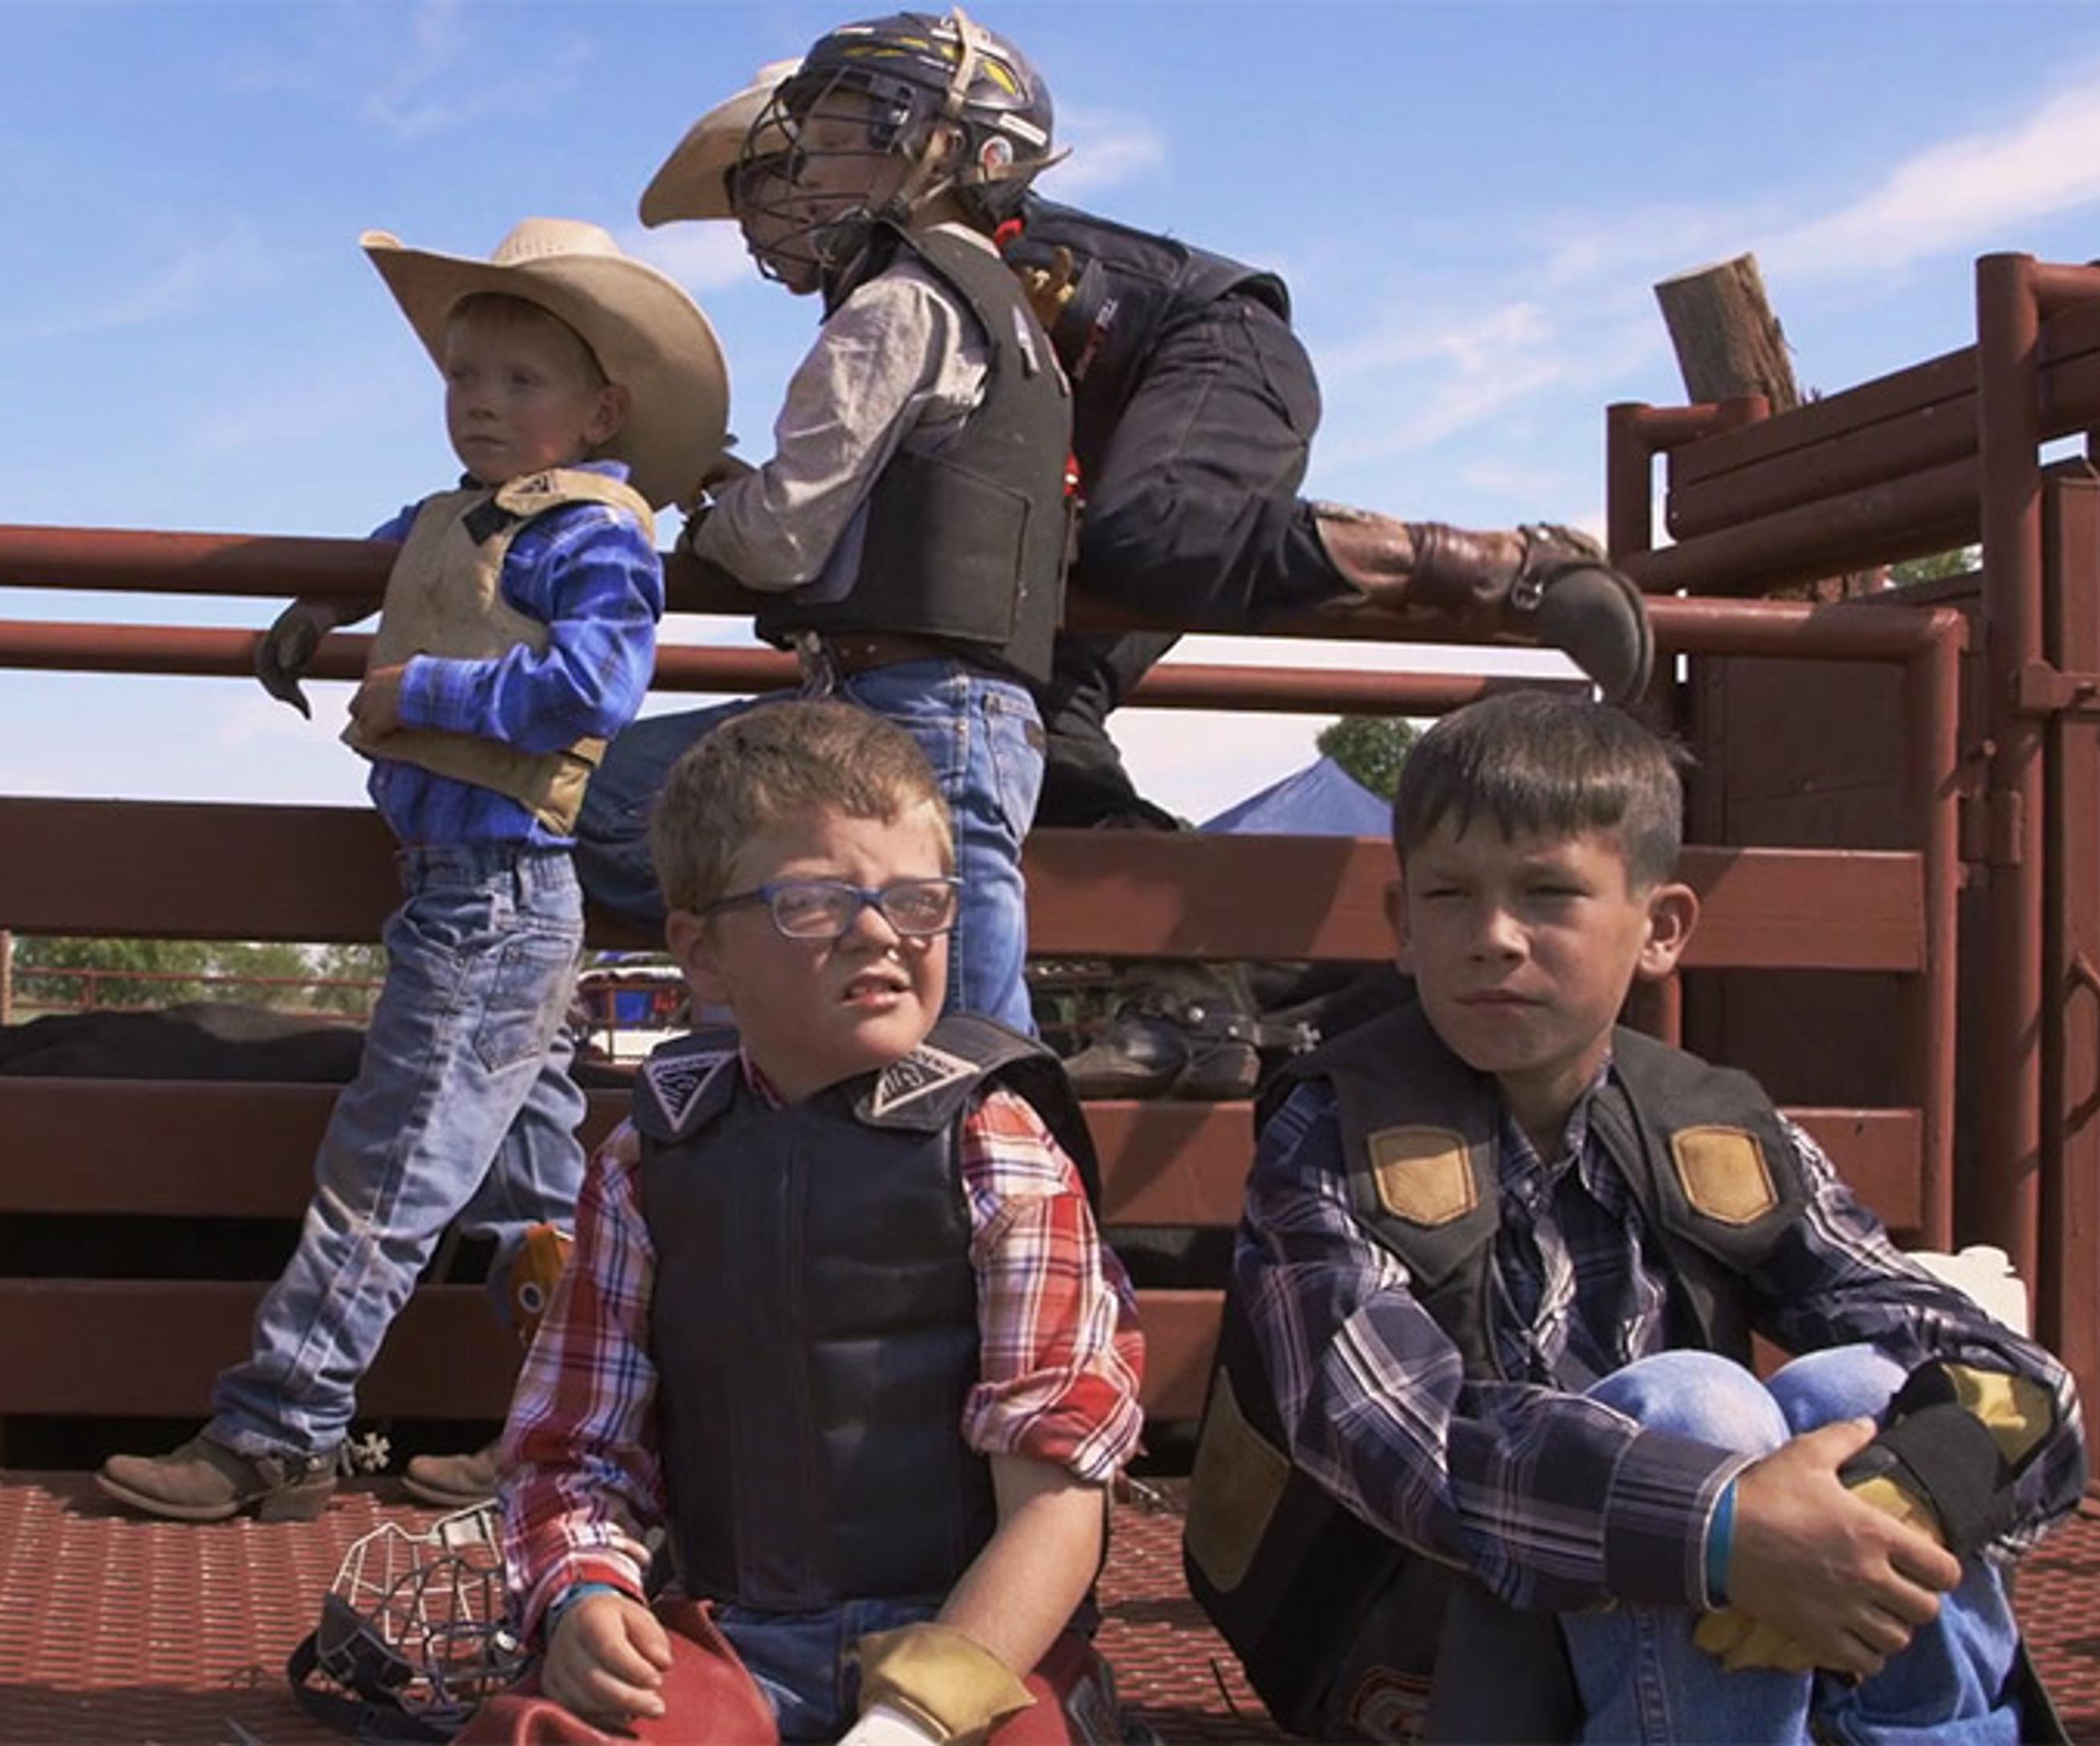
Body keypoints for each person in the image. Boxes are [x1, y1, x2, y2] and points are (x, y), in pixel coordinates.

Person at [635, 23, 1653, 1095]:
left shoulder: (938, 266)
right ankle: (1197, 993)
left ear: (923, 142)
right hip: (1081, 479)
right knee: (1046, 702)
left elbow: (825, 503)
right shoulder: (907, 276)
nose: (784, 190)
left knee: (1154, 529)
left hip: (1201, 350)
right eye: (783, 164)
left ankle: (1493, 563)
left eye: (799, 155)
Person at [1191, 690, 2085, 1743]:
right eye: (1449, 895)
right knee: (1693, 1402)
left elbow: (2023, 1382)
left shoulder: (1715, 1127)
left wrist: (1906, 1495)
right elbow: (1403, 1442)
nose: (1493, 937)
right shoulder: (1333, 1134)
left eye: (1549, 893)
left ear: (1660, 928)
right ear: (1402, 927)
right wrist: (1723, 1527)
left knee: (1868, 1390)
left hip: (1730, 1609)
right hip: (1424, 1641)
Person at [96, 219, 727, 1524]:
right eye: (463, 378)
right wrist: (316, 607)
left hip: (496, 888)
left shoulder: (599, 533)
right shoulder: (458, 513)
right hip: (461, 883)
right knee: (533, 1178)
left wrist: (416, 682)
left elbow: (596, 684)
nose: (482, 404)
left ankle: (280, 1423)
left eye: (519, 382)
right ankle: (585, 1433)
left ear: (601, 407)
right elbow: (394, 557)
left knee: (389, 1160)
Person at [470, 700, 1145, 1745]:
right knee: (557, 1731)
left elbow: (1058, 1497)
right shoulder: (650, 1163)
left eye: (918, 900)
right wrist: (582, 1594)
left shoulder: (1000, 1145)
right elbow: (574, 1449)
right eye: (817, 903)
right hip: (735, 1631)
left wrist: (912, 1719)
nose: (880, 933)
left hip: (979, 1639)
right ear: (700, 953)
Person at [574, 10, 1074, 1038]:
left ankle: (751, 1019)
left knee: (964, 1038)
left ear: (943, 145)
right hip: (966, 709)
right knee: (966, 1020)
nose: (810, 167)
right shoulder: (1009, 309)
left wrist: (706, 509)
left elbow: (779, 538)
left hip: (908, 705)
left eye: (842, 138)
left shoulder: (896, 302)